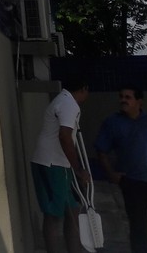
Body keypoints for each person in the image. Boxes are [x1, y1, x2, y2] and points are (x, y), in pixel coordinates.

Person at [95, 86, 147, 253]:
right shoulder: (113, 122)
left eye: (128, 97)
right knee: (137, 227)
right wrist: (111, 173)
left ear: (139, 102)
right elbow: (101, 150)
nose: (123, 100)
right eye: (121, 97)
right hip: (132, 183)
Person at [31, 76, 91, 253]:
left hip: (58, 163)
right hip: (52, 163)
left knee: (72, 210)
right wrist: (78, 170)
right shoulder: (68, 104)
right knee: (54, 214)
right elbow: (65, 136)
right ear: (83, 88)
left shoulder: (63, 100)